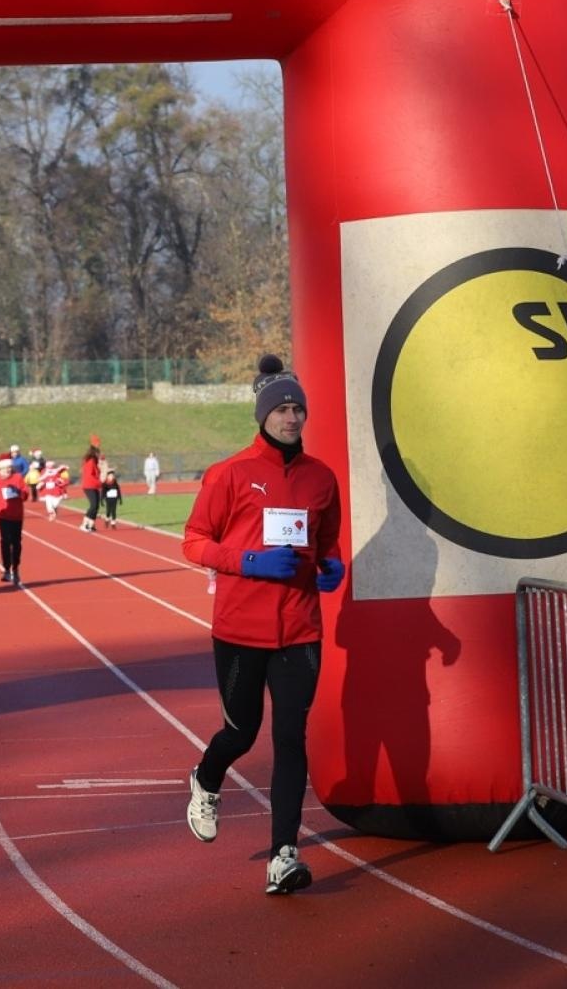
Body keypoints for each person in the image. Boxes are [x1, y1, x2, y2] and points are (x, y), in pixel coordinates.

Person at [181, 354, 345, 895]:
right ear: (263, 415)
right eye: (282, 408)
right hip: (239, 631)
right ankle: (207, 777)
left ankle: (283, 856)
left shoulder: (321, 479)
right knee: (240, 732)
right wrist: (248, 562)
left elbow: (325, 542)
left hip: (300, 630)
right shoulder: (230, 474)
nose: (291, 417)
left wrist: (331, 563)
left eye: (299, 408)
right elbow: (195, 542)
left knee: (291, 738)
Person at [0, 452, 26, 584]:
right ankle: (6, 569)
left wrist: (19, 492)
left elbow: (25, 494)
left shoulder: (18, 477)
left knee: (16, 543)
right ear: (0, 469)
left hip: (16, 516)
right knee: (5, 542)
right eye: (5, 468)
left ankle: (15, 568)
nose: (8, 470)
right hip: (3, 515)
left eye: (9, 467)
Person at [80, 442, 103, 532]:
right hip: (89, 485)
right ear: (94, 453)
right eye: (98, 454)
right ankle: (84, 524)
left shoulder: (94, 462)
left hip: (94, 485)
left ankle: (91, 524)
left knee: (96, 506)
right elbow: (90, 475)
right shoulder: (90, 462)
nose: (99, 455)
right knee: (93, 505)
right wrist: (99, 483)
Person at [9, 445, 30, 510]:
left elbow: (26, 468)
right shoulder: (9, 460)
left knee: (19, 493)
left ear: (18, 452)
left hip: (19, 479)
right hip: (10, 479)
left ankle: (18, 504)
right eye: (12, 452)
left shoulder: (22, 459)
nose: (14, 454)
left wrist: (21, 475)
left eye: (15, 452)